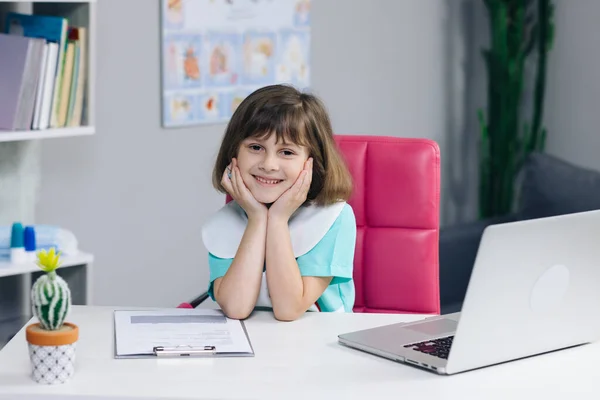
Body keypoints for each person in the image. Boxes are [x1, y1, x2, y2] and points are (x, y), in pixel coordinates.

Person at [201, 84, 356, 321]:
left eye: (287, 152)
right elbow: (236, 307)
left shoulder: (335, 218)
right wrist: (257, 218)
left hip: (319, 347)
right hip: (253, 347)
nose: (269, 164)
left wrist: (278, 219)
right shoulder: (225, 222)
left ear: (312, 162)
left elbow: (288, 309)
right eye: (255, 147)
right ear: (234, 154)